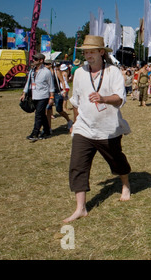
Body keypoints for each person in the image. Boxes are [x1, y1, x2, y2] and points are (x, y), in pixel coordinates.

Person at [63, 35, 132, 223]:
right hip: (84, 128)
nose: (88, 55)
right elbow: (76, 101)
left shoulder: (113, 72)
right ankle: (81, 208)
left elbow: (119, 98)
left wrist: (103, 98)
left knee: (116, 160)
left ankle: (125, 184)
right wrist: (75, 123)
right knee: (77, 165)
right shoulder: (79, 73)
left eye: (91, 51)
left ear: (102, 52)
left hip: (108, 128)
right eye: (85, 52)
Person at [20, 53, 55, 141]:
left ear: (41, 60)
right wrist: (24, 93)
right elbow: (28, 83)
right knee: (42, 114)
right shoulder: (32, 71)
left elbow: (51, 85)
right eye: (34, 59)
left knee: (38, 114)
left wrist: (51, 98)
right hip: (34, 95)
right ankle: (47, 130)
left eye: (35, 59)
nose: (34, 61)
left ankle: (35, 133)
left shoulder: (46, 72)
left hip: (43, 96)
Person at [44, 60, 73, 131]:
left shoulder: (56, 72)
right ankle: (49, 128)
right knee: (48, 110)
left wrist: (63, 90)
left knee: (59, 110)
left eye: (47, 64)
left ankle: (69, 120)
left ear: (51, 64)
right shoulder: (44, 72)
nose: (45, 65)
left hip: (57, 92)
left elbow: (62, 81)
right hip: (48, 93)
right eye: (45, 64)